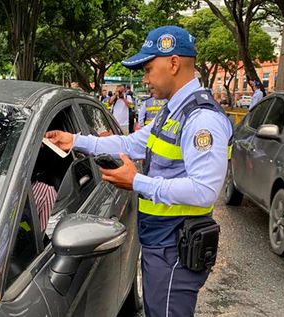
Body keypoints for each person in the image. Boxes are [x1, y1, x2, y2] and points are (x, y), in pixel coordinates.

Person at [45, 25, 232, 317]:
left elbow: (205, 190)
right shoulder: (172, 111)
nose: (144, 79)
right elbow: (132, 142)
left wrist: (137, 181)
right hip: (162, 243)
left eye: (147, 69)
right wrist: (76, 140)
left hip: (176, 248)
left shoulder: (201, 119)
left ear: (173, 63)